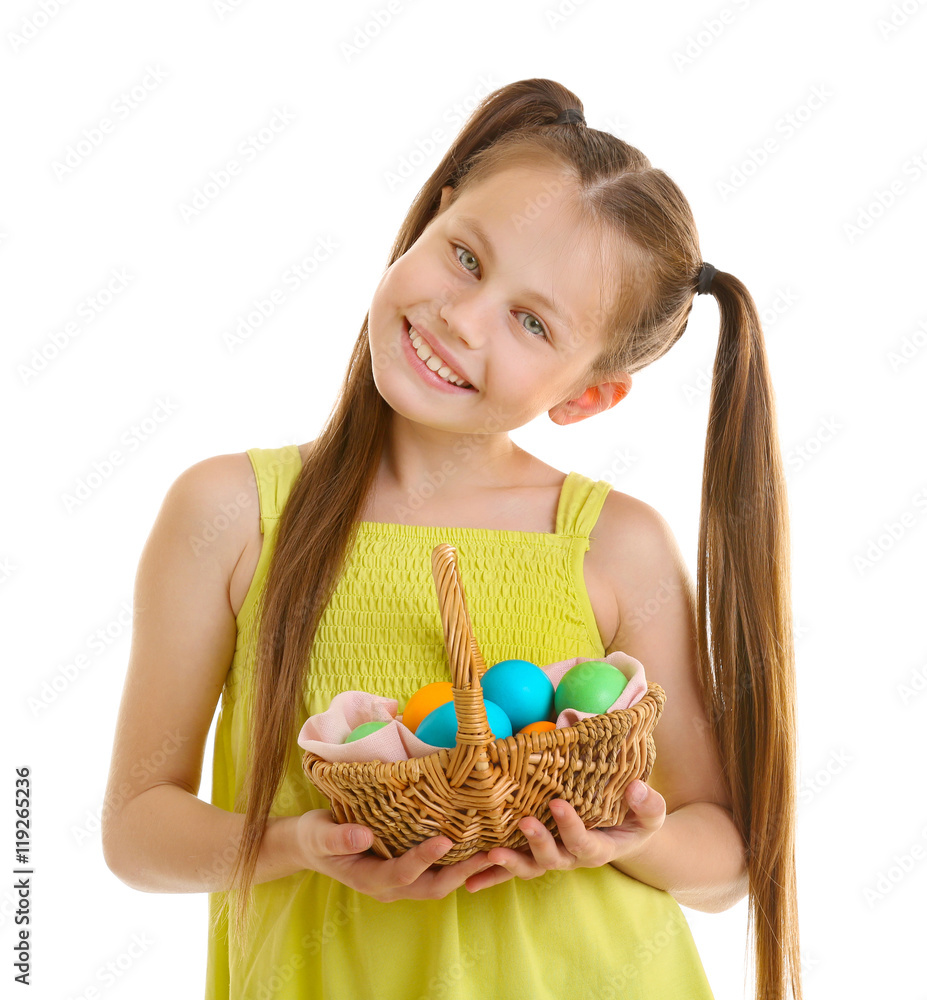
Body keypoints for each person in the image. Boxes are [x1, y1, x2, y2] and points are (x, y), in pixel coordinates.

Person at [101, 78, 801, 1000]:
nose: (459, 320)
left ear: (586, 394)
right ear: (431, 217)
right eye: (466, 258)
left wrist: (629, 838)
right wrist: (299, 846)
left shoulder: (610, 544)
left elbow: (721, 860)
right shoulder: (232, 512)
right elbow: (137, 831)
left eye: (530, 321)